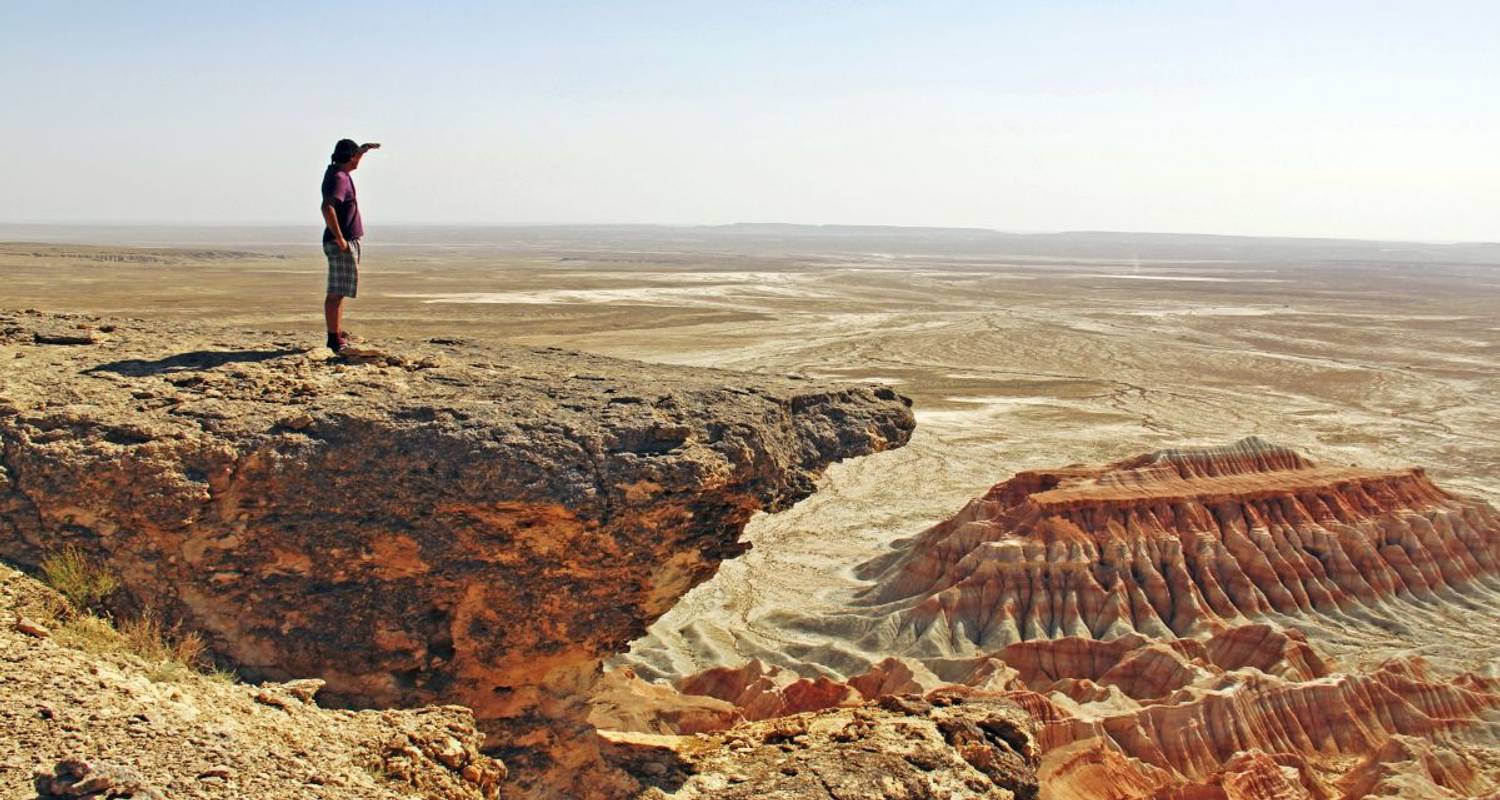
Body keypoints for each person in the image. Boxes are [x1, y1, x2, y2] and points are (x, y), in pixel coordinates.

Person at [320, 138, 379, 352]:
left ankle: (336, 332)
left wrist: (362, 150)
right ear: (350, 157)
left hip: (344, 240)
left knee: (341, 290)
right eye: (357, 156)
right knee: (336, 291)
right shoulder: (339, 178)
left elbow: (349, 163)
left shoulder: (339, 172)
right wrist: (340, 238)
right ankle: (333, 339)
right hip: (341, 242)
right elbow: (327, 208)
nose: (359, 161)